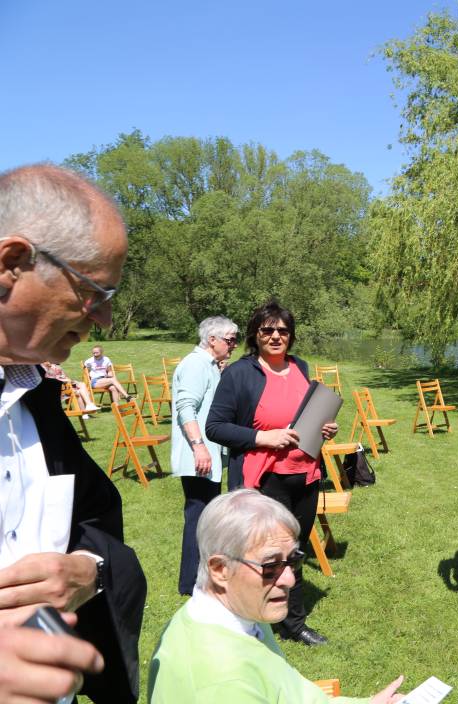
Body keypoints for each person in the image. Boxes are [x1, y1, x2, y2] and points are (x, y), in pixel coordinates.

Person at [0, 164, 147, 703]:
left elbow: (94, 522)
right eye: (93, 292)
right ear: (11, 263)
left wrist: (89, 570)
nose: (105, 320)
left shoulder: (34, 396)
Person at [149, 489, 405, 703]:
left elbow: (293, 693)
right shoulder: (223, 683)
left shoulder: (241, 613)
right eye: (270, 566)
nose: (289, 579)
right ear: (220, 570)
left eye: (293, 560)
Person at [206, 301, 337, 646]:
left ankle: (292, 623)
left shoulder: (300, 367)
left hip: (305, 474)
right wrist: (263, 437)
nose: (276, 336)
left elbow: (305, 416)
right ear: (256, 334)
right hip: (265, 480)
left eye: (282, 330)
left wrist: (322, 428)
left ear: (291, 336)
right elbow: (215, 427)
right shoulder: (239, 374)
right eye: (268, 330)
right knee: (261, 555)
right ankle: (249, 620)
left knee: (294, 551)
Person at [172, 315, 239, 596]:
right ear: (212, 340)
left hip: (206, 455)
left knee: (205, 517)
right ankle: (190, 584)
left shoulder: (209, 365)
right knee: (199, 519)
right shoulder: (196, 364)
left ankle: (200, 578)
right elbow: (186, 406)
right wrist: (199, 446)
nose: (234, 344)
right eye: (230, 339)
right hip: (198, 455)